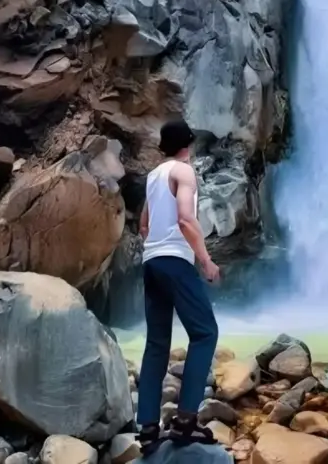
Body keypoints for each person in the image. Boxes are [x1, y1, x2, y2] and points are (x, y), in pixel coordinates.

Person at [137, 120, 221, 456]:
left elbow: (143, 225)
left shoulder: (153, 176)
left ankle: (147, 428)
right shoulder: (184, 173)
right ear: (189, 144)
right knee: (205, 333)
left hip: (151, 262)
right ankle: (186, 419)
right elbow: (186, 218)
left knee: (157, 343)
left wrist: (157, 247)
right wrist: (204, 259)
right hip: (175, 260)